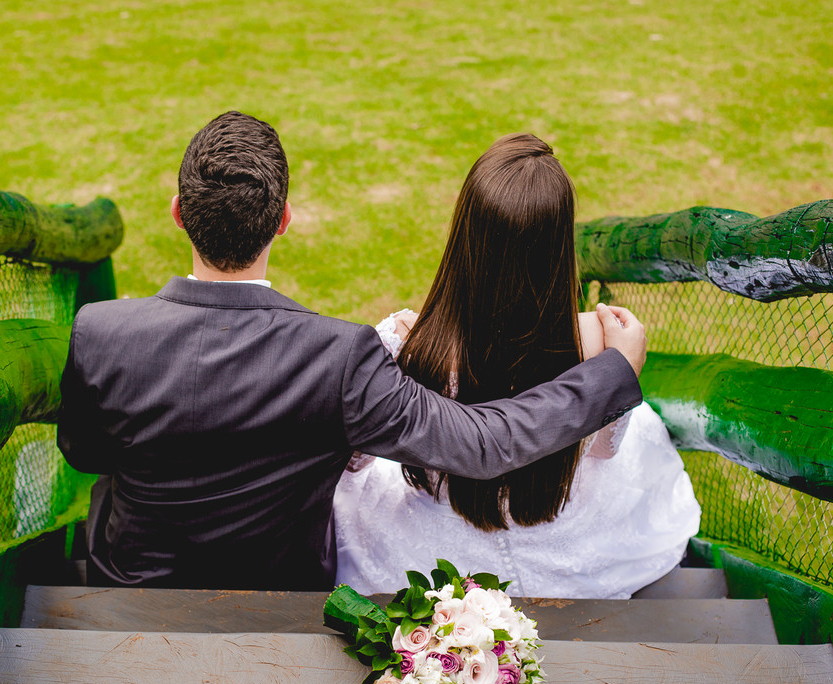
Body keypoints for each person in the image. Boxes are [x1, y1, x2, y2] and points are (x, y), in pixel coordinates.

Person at [56, 112, 646, 591]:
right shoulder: (338, 357)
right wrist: (612, 371)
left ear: (179, 215)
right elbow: (485, 441)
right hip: (279, 596)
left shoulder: (100, 332)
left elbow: (84, 452)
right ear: (283, 220)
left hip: (129, 588)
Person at [334, 134, 700, 598]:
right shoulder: (600, 343)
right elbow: (606, 450)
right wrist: (619, 365)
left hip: (433, 543)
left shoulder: (410, 343)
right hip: (552, 517)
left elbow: (354, 458)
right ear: (557, 243)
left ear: (466, 233)